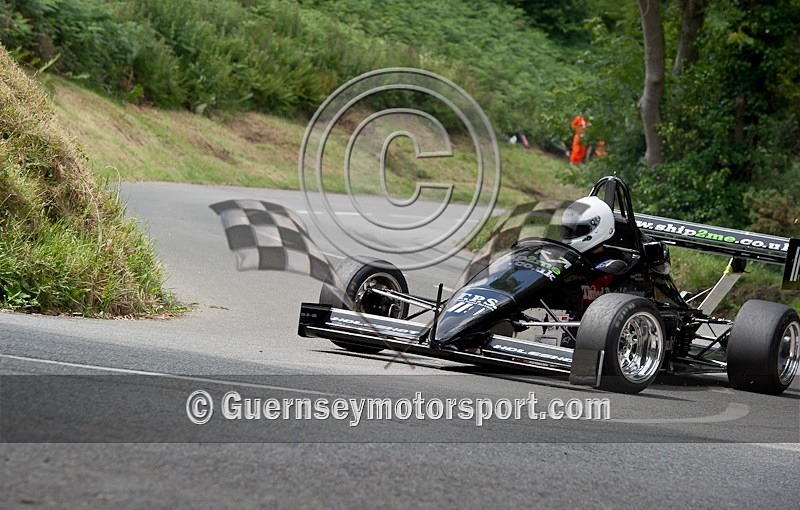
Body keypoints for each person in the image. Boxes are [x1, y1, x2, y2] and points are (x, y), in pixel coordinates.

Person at [560, 196, 628, 274]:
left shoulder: (614, 266)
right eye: (568, 230)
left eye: (578, 230)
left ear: (599, 228)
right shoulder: (568, 259)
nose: (570, 235)